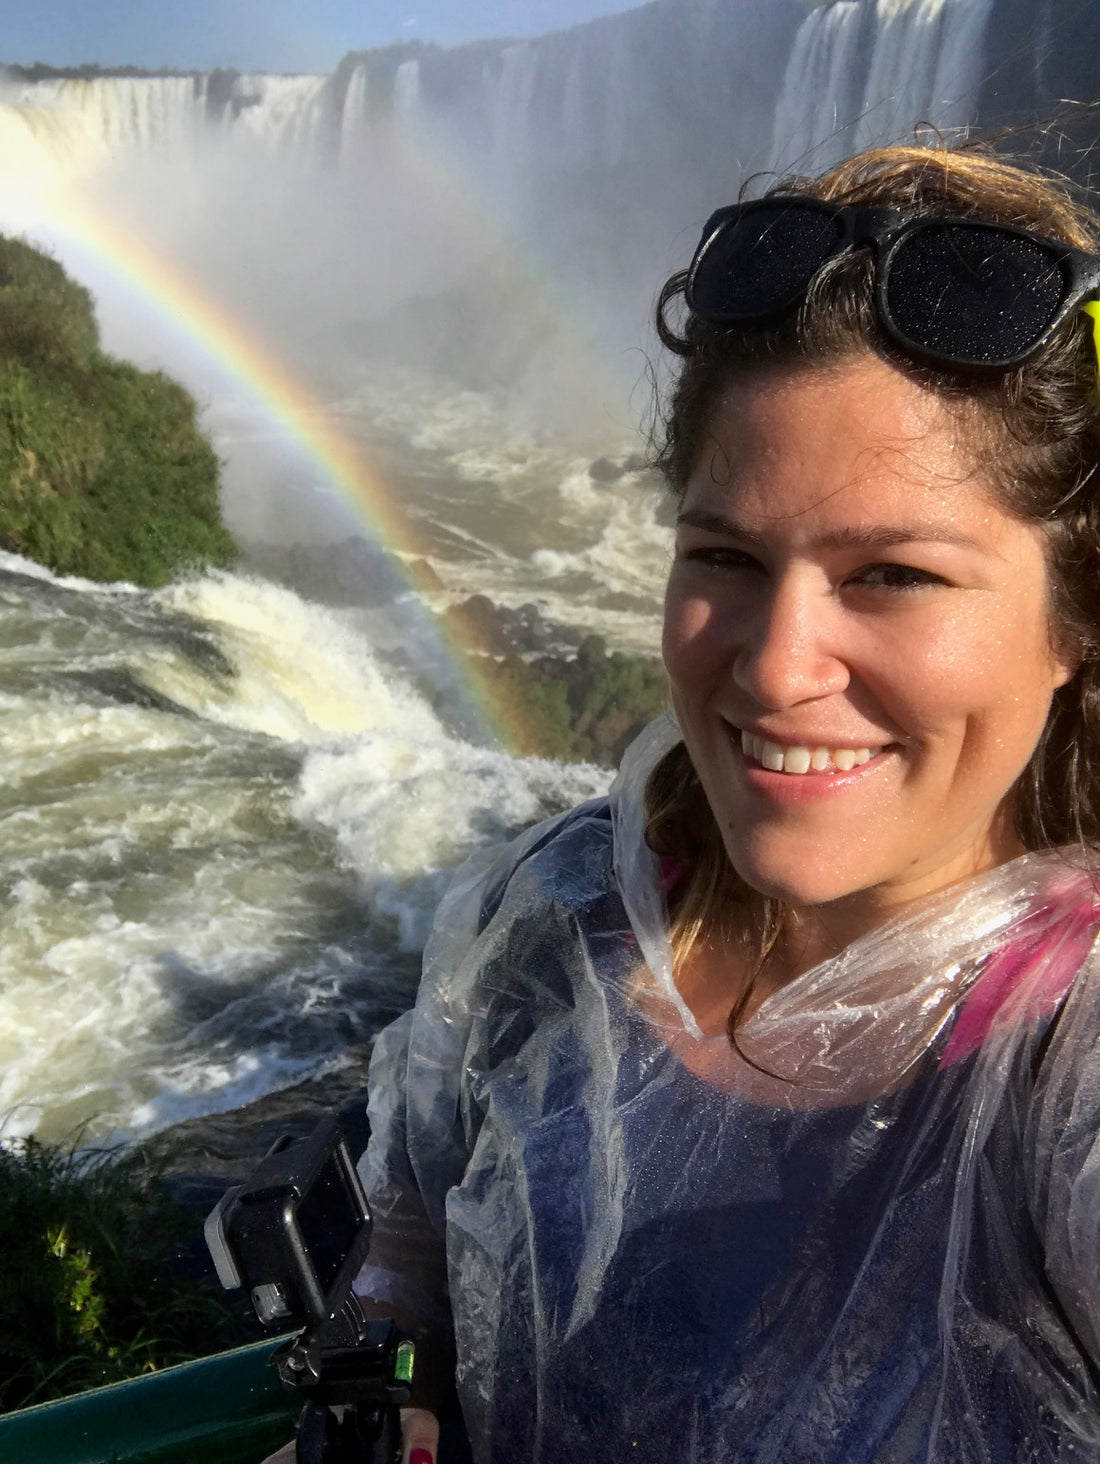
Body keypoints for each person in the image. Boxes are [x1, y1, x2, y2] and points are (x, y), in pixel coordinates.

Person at [354, 142, 1100, 1464]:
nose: (772, 663)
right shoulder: (556, 916)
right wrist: (387, 1367)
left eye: (894, 576)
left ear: (1073, 624)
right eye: (725, 557)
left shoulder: (1064, 1064)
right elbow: (415, 1210)